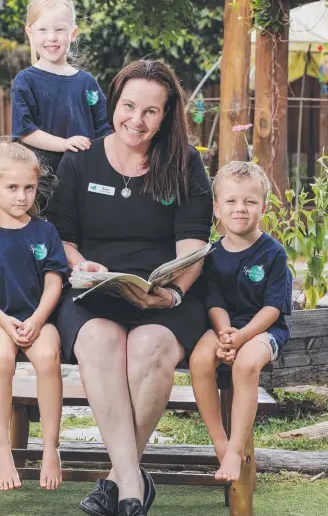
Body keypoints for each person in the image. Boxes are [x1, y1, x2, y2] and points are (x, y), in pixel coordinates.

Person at [45, 60, 213, 516]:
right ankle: (133, 490)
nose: (136, 121)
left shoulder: (185, 163)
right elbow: (62, 237)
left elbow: (194, 246)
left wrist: (172, 292)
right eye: (128, 106)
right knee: (100, 339)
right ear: (114, 102)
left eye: (151, 112)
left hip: (166, 294)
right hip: (92, 291)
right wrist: (83, 266)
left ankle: (118, 481)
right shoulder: (79, 160)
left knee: (150, 346)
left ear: (167, 115)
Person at [0, 138, 68, 492]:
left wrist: (37, 320)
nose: (21, 196)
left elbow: (54, 282)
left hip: (36, 317)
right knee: (2, 355)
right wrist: (5, 323)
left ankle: (51, 446)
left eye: (29, 187)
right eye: (12, 188)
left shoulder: (45, 231)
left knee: (49, 355)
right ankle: (1, 447)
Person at [189, 161, 292, 482]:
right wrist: (224, 334)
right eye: (231, 202)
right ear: (217, 208)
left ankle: (236, 450)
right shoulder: (212, 254)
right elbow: (214, 301)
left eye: (250, 202)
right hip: (224, 327)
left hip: (263, 330)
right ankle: (220, 442)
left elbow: (274, 308)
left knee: (245, 365)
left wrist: (242, 337)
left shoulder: (273, 253)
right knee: (199, 359)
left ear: (263, 207)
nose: (241, 209)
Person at [11, 0, 111, 177]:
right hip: (42, 182)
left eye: (59, 29)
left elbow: (105, 131)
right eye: (42, 30)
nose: (52, 37)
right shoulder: (25, 81)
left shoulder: (87, 83)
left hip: (84, 179)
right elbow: (25, 131)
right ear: (29, 33)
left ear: (73, 33)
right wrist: (64, 144)